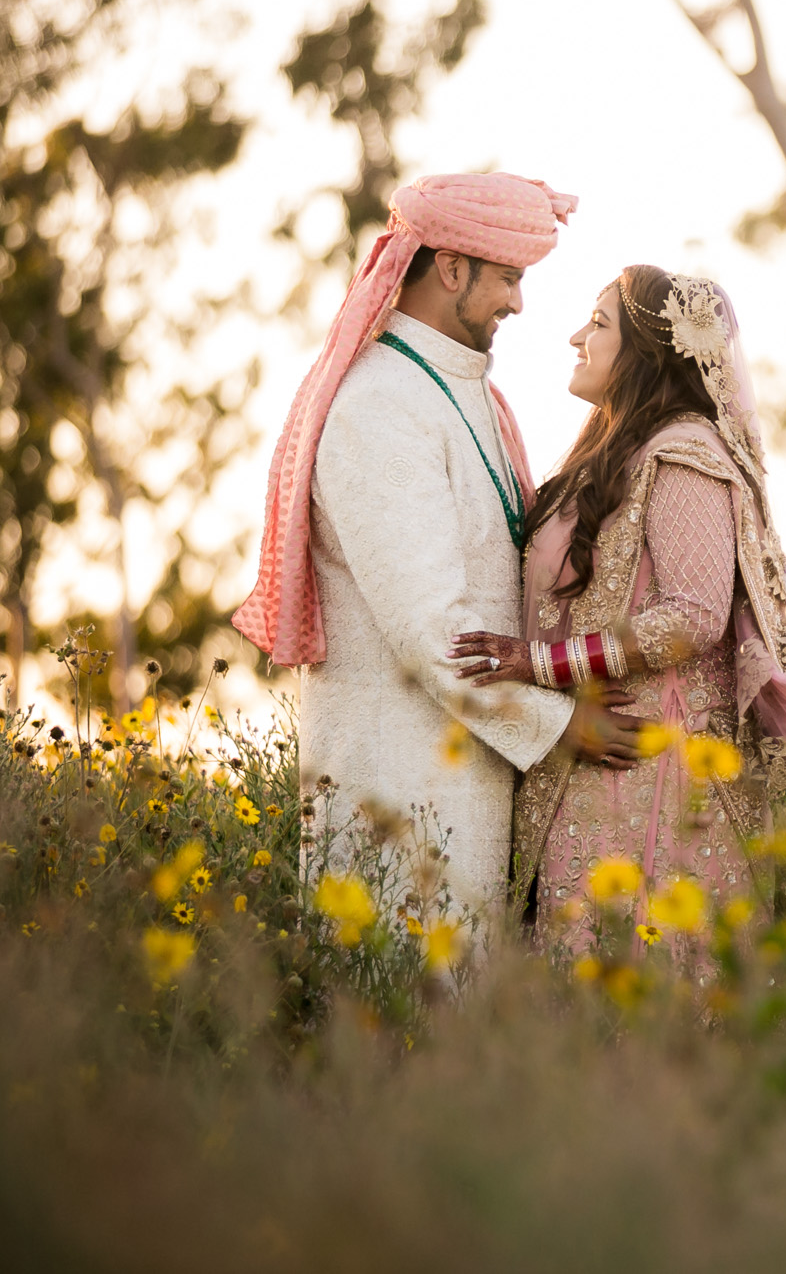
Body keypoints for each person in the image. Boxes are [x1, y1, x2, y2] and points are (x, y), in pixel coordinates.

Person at [450, 266, 786, 966]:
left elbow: (693, 616)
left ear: (648, 352)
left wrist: (534, 662)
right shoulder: (608, 458)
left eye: (599, 324)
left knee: (648, 999)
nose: (577, 336)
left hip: (659, 782)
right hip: (590, 771)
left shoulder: (686, 454)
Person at [234, 173, 645, 925]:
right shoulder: (379, 404)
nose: (519, 303)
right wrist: (559, 727)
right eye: (509, 278)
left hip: (473, 784)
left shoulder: (473, 395)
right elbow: (432, 629)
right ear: (451, 267)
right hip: (395, 794)